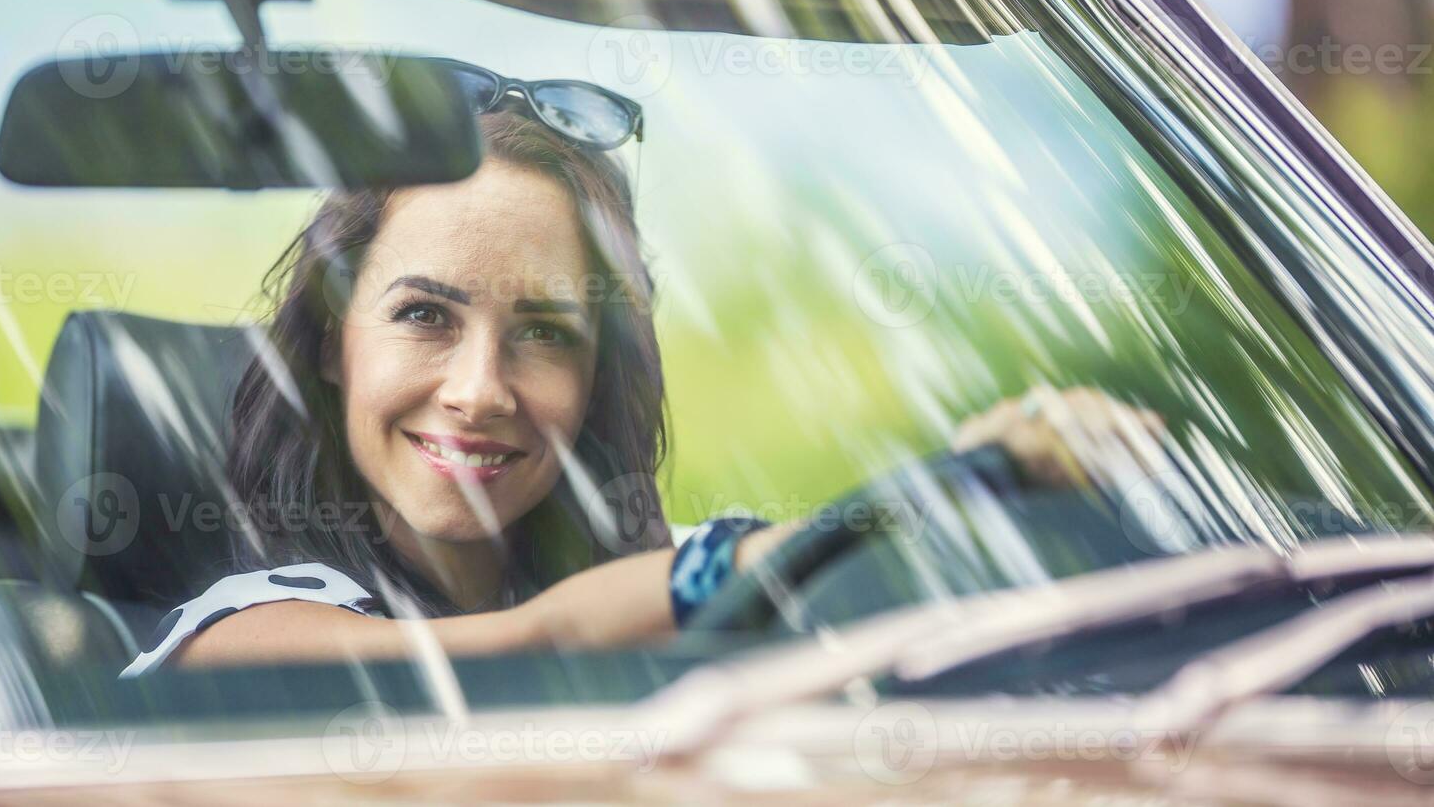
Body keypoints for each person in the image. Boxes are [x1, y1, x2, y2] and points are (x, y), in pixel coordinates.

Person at [121, 82, 1162, 678]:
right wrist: (924, 492)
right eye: (425, 314)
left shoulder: (651, 601)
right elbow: (538, 640)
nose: (480, 389)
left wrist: (995, 512)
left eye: (543, 332)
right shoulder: (244, 630)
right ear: (330, 347)